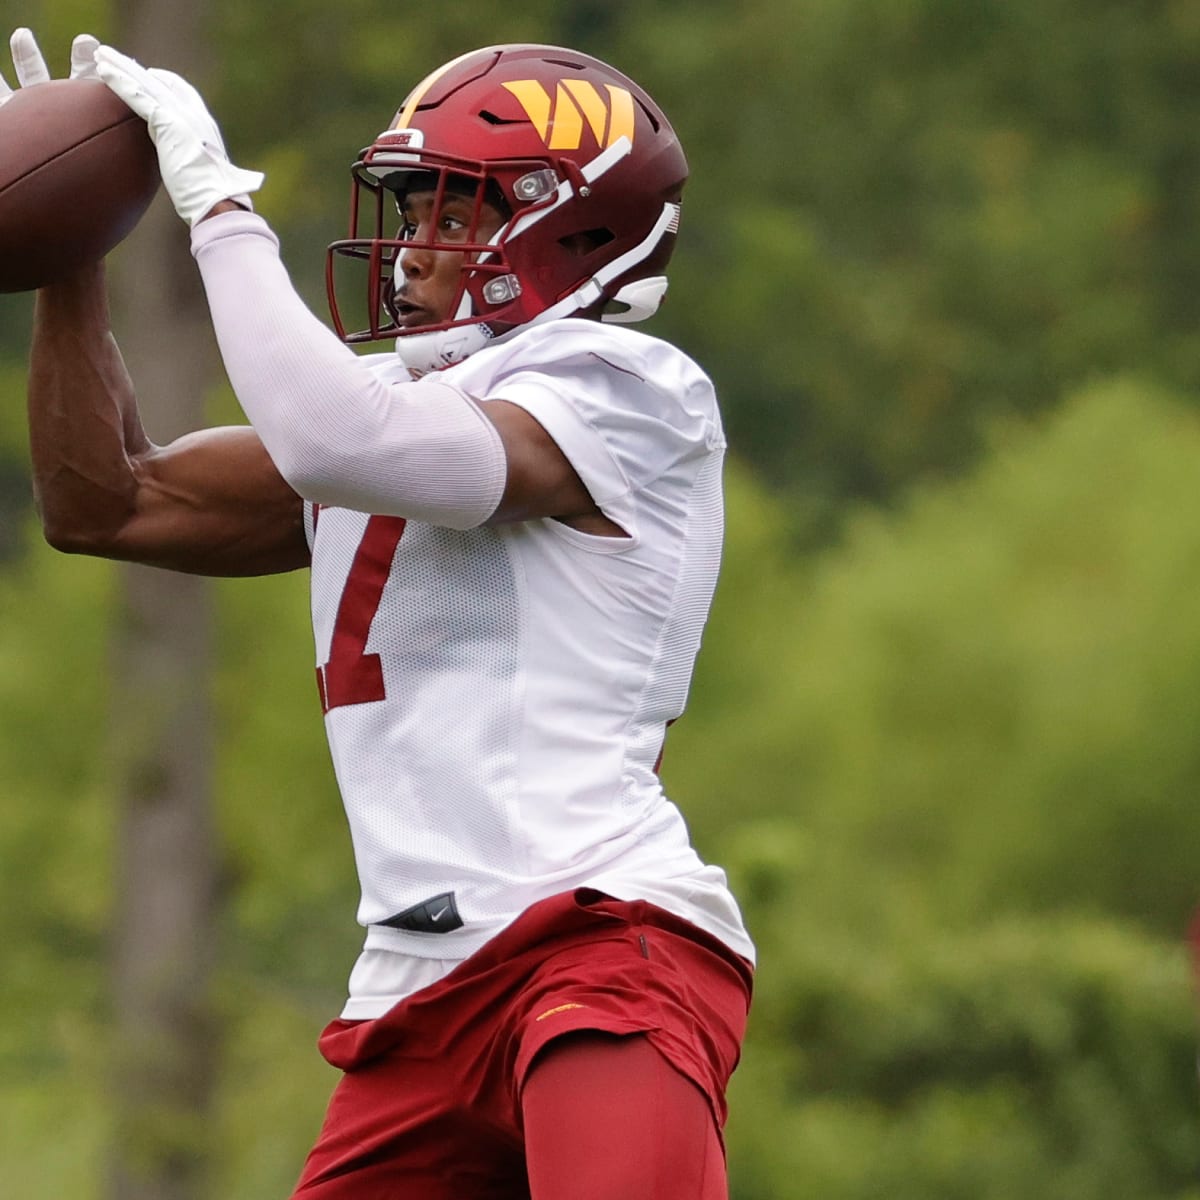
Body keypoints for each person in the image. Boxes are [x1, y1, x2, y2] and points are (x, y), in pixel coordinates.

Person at [8, 28, 755, 1200]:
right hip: (415, 986)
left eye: (451, 216)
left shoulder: (625, 390)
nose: (411, 250)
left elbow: (340, 438)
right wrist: (72, 248)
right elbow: (104, 501)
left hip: (598, 944)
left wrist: (220, 211)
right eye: (413, 215)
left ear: (567, 225)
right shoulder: (408, 409)